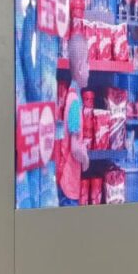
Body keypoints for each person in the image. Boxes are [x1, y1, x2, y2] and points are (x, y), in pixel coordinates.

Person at [56, 33, 90, 205]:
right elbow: (75, 148)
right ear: (81, 68)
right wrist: (85, 159)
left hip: (67, 181)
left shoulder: (73, 96)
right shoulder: (75, 103)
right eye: (88, 63)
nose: (90, 69)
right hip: (68, 185)